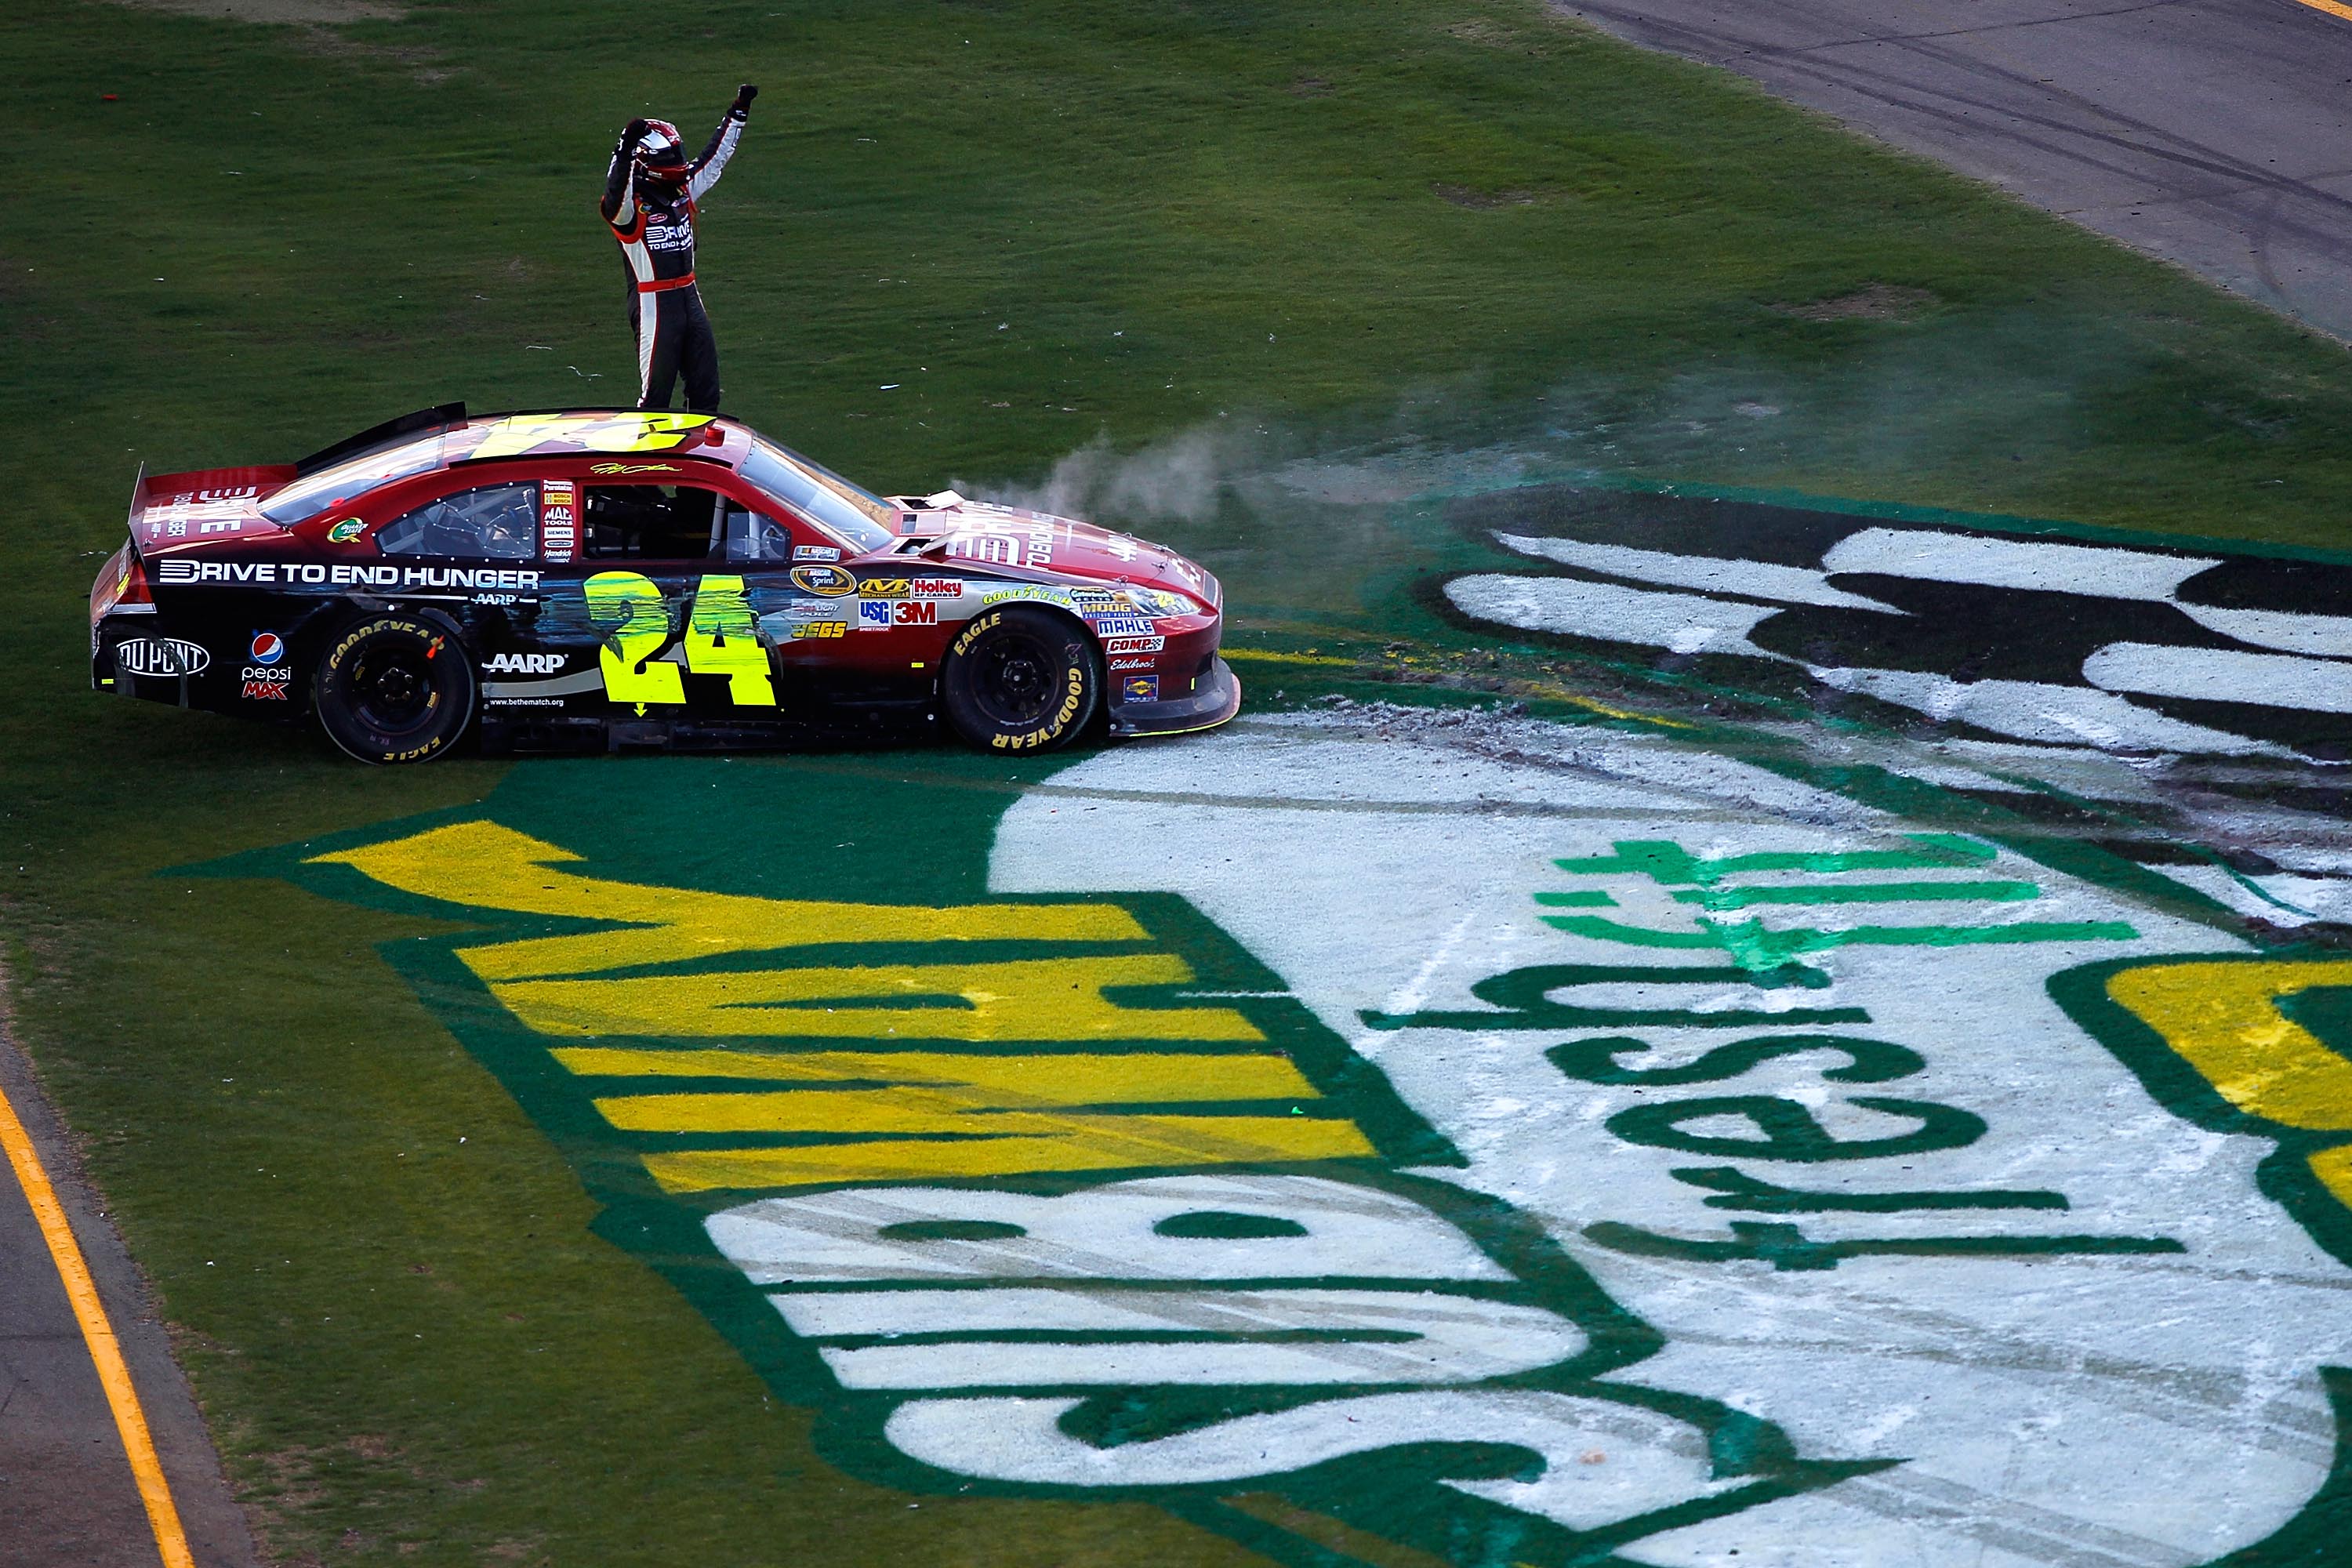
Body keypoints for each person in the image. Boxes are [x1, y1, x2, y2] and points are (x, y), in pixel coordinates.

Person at [600, 85, 757, 413]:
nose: (679, 163)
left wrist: (738, 112)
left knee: (707, 392)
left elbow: (712, 162)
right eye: (669, 157)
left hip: (689, 296)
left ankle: (700, 459)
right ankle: (645, 463)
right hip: (653, 304)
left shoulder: (681, 192)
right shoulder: (629, 211)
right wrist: (626, 147)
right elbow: (615, 194)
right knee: (654, 401)